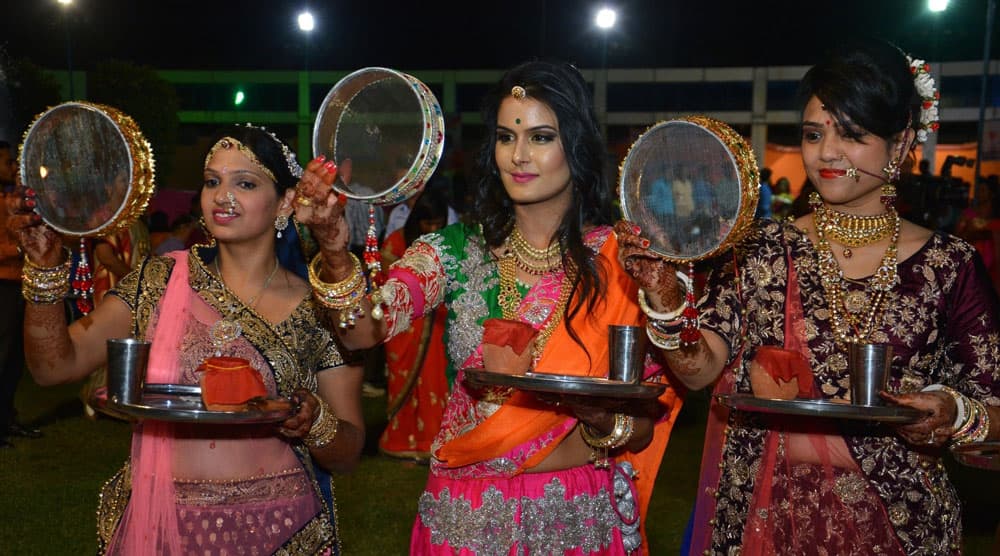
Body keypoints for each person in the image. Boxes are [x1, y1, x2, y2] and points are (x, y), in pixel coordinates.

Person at [618, 39, 1000, 555]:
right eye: (814, 133)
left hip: (902, 524)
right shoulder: (760, 249)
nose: (827, 153)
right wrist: (664, 300)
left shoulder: (949, 266)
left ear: (903, 141)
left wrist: (953, 413)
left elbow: (993, 407)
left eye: (853, 135)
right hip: (763, 518)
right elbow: (699, 370)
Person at [295, 60, 684, 554]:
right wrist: (332, 249)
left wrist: (605, 420)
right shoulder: (453, 252)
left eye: (541, 137)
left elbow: (643, 425)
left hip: (575, 517)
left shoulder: (620, 260)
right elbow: (362, 331)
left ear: (577, 146)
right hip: (465, 518)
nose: (518, 155)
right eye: (506, 137)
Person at [7, 125, 364, 553]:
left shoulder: (320, 308)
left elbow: (347, 454)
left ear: (286, 202)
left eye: (244, 183)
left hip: (281, 530)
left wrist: (314, 420)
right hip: (164, 527)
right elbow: (53, 368)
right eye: (212, 181)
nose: (222, 195)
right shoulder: (158, 282)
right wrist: (45, 270)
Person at [378, 187, 451, 461]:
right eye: (427, 222)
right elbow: (386, 284)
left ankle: (434, 440)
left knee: (436, 379)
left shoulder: (446, 243)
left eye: (437, 222)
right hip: (405, 326)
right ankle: (403, 439)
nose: (432, 227)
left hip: (438, 324)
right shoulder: (398, 241)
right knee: (405, 378)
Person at [0, 139, 41, 448]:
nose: (13, 167)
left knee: (16, 357)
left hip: (19, 284)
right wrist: (19, 250)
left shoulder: (12, 199)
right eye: (7, 161)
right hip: (3, 284)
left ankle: (7, 418)